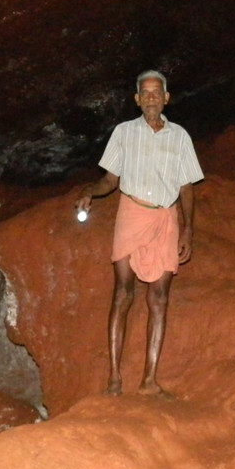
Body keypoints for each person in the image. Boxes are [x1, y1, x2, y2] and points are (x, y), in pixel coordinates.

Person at [76, 70, 203, 397]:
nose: (150, 98)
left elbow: (187, 186)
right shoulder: (123, 133)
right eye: (144, 93)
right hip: (132, 214)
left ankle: (149, 380)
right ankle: (115, 378)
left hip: (165, 218)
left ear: (166, 97)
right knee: (123, 292)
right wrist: (91, 191)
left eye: (156, 92)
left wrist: (188, 228)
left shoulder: (180, 137)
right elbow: (110, 181)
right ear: (136, 99)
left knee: (159, 297)